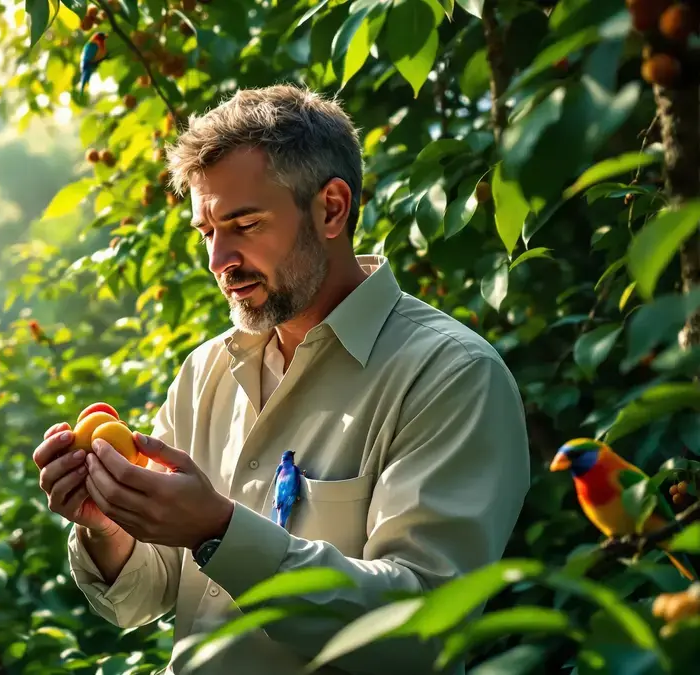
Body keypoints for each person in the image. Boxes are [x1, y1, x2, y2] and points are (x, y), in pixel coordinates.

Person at [32, 84, 530, 675]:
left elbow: (419, 629)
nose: (219, 261)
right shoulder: (205, 371)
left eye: (244, 224)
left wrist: (218, 531)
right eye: (206, 232)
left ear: (332, 209)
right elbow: (146, 596)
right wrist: (108, 528)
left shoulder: (450, 375)